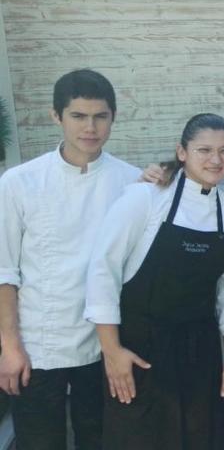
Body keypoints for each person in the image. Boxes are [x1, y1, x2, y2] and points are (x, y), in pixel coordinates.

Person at [85, 114, 224, 449]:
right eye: (204, 150)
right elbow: (103, 274)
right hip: (140, 351)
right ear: (182, 152)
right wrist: (112, 352)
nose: (215, 160)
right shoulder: (144, 199)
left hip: (199, 354)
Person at [0, 69, 140, 449]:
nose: (90, 127)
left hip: (102, 346)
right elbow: (5, 272)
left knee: (100, 440)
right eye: (78, 116)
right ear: (56, 116)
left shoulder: (131, 183)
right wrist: (10, 347)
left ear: (114, 116)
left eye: (100, 116)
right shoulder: (19, 182)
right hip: (39, 344)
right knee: (39, 442)